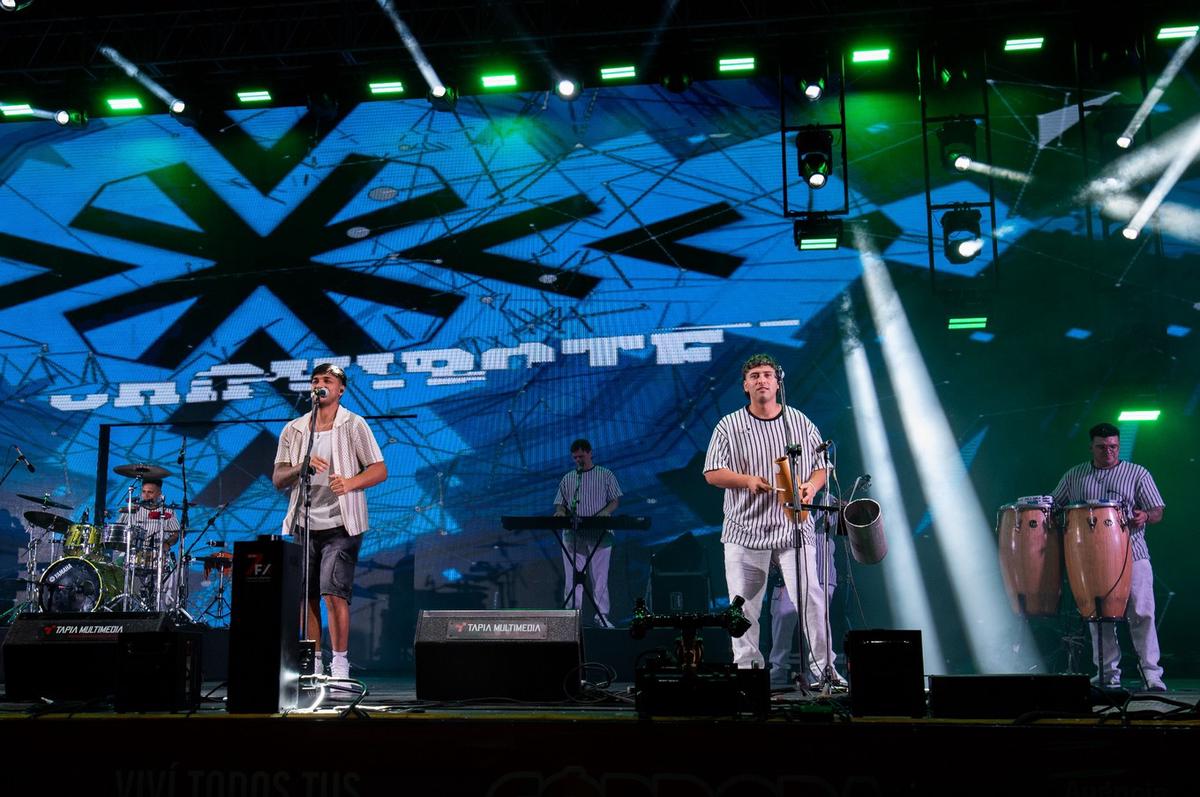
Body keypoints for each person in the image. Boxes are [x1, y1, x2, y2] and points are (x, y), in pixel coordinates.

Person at [703, 353, 843, 685]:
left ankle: (824, 671)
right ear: (745, 385)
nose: (761, 380)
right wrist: (746, 480)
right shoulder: (729, 425)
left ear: (778, 382)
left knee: (810, 596)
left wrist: (810, 485)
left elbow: (822, 465)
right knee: (744, 606)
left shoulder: (798, 421)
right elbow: (712, 472)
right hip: (745, 530)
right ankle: (747, 673)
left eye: (767, 374)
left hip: (794, 527)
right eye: (754, 375)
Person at [273, 363, 387, 679]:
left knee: (332, 592)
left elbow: (379, 469)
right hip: (304, 523)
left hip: (342, 522)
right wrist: (301, 467)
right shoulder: (294, 430)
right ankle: (313, 664)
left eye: (327, 380)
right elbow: (278, 478)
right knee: (305, 596)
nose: (320, 384)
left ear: (340, 389)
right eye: (315, 380)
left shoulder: (354, 424)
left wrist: (350, 483)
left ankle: (340, 666)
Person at [1051, 422, 1166, 691]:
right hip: (1089, 560)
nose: (1109, 452)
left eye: (1113, 447)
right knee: (1097, 617)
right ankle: (1106, 673)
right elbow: (1053, 505)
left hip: (1132, 554)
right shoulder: (1074, 476)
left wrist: (1145, 515)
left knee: (1142, 613)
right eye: (1102, 447)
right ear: (1091, 447)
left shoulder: (1137, 473)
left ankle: (1152, 674)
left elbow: (1157, 510)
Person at [553, 439, 621, 628]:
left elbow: (615, 500)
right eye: (575, 457)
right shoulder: (568, 478)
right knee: (573, 576)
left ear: (590, 453)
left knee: (600, 575)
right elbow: (561, 502)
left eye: (581, 456)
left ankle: (601, 616)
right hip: (574, 534)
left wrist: (606, 511)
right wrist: (560, 511)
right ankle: (572, 617)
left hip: (599, 532)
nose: (578, 460)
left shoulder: (605, 474)